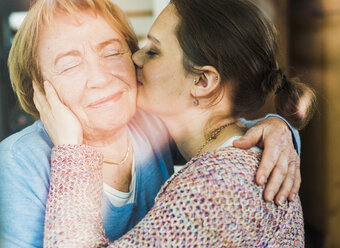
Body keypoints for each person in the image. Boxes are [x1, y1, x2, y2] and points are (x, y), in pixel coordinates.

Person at [0, 0, 304, 247]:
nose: (101, 78)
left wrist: (278, 128)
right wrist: (277, 127)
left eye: (112, 51)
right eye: (69, 64)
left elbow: (226, 145)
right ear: (37, 89)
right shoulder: (19, 163)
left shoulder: (155, 130)